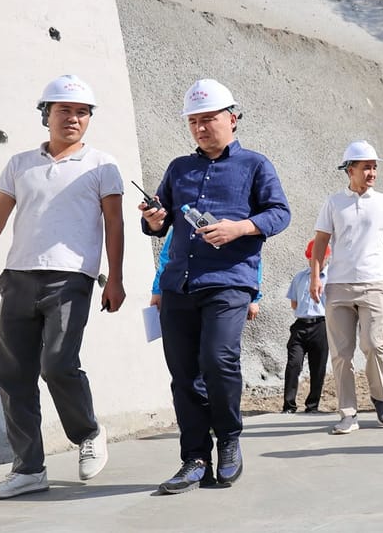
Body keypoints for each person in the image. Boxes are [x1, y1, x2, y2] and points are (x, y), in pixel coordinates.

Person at [0, 76, 125, 501]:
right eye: (64, 110)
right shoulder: (20, 164)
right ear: (46, 114)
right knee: (13, 375)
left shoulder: (102, 165)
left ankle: (88, 431)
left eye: (82, 112)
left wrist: (115, 277)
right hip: (18, 278)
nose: (73, 118)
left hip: (70, 279)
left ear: (89, 118)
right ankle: (28, 470)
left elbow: (114, 223)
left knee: (57, 363)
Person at [141, 78, 290, 494]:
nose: (201, 128)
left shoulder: (255, 165)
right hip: (179, 283)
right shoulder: (178, 169)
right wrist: (153, 219)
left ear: (233, 118)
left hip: (229, 281)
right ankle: (194, 458)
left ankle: (227, 440)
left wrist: (240, 227)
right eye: (193, 121)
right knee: (183, 373)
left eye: (208, 119)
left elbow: (280, 213)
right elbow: (159, 222)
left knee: (218, 358)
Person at [310, 140, 383, 434]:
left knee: (374, 345)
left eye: (374, 167)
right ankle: (348, 413)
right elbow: (321, 241)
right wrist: (315, 277)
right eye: (366, 167)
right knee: (341, 353)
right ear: (350, 170)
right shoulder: (333, 202)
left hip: (373, 283)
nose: (372, 172)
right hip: (338, 285)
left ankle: (379, 396)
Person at [283, 239, 329, 414]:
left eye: (320, 257)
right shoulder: (300, 277)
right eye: (312, 257)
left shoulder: (332, 278)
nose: (315, 260)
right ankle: (289, 405)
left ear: (327, 257)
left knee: (318, 367)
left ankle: (312, 405)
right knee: (293, 364)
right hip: (300, 324)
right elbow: (294, 303)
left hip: (321, 324)